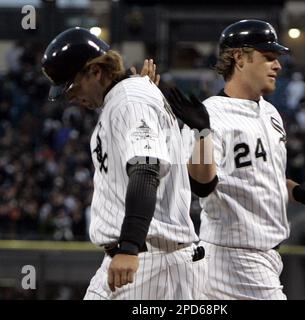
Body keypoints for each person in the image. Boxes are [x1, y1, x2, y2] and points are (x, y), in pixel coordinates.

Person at [168, 19, 305, 300]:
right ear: (240, 59)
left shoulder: (270, 113)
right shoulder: (209, 115)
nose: (277, 66)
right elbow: (202, 185)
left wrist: (295, 190)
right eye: (268, 58)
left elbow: (261, 176)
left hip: (262, 257)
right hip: (234, 257)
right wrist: (202, 133)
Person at [41, 27, 206, 300]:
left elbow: (146, 168)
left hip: (148, 259)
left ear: (95, 71)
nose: (70, 96)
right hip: (144, 257)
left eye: (72, 85)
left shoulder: (129, 100)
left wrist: (129, 246)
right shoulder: (126, 98)